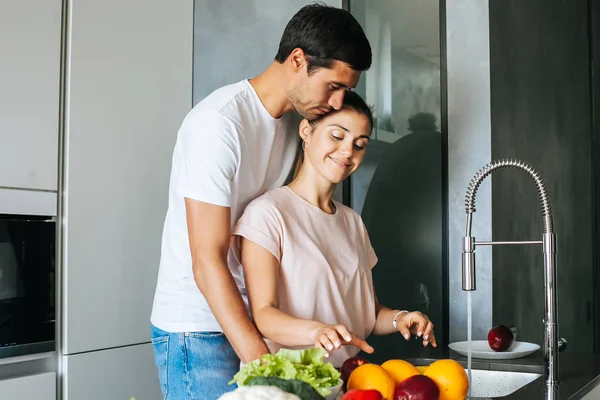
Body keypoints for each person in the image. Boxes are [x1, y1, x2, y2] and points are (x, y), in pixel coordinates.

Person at [149, 4, 372, 399]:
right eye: (333, 86)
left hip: (247, 323)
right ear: (298, 60)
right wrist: (262, 365)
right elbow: (207, 258)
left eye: (345, 91)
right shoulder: (219, 124)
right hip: (198, 328)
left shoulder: (296, 124)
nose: (338, 103)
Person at [231, 91, 437, 368]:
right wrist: (316, 331)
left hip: (344, 379)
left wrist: (402, 318)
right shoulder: (267, 214)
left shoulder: (353, 222)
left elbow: (369, 314)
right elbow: (264, 315)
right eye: (337, 136)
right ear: (306, 130)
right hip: (288, 383)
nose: (347, 151)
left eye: (359, 144)